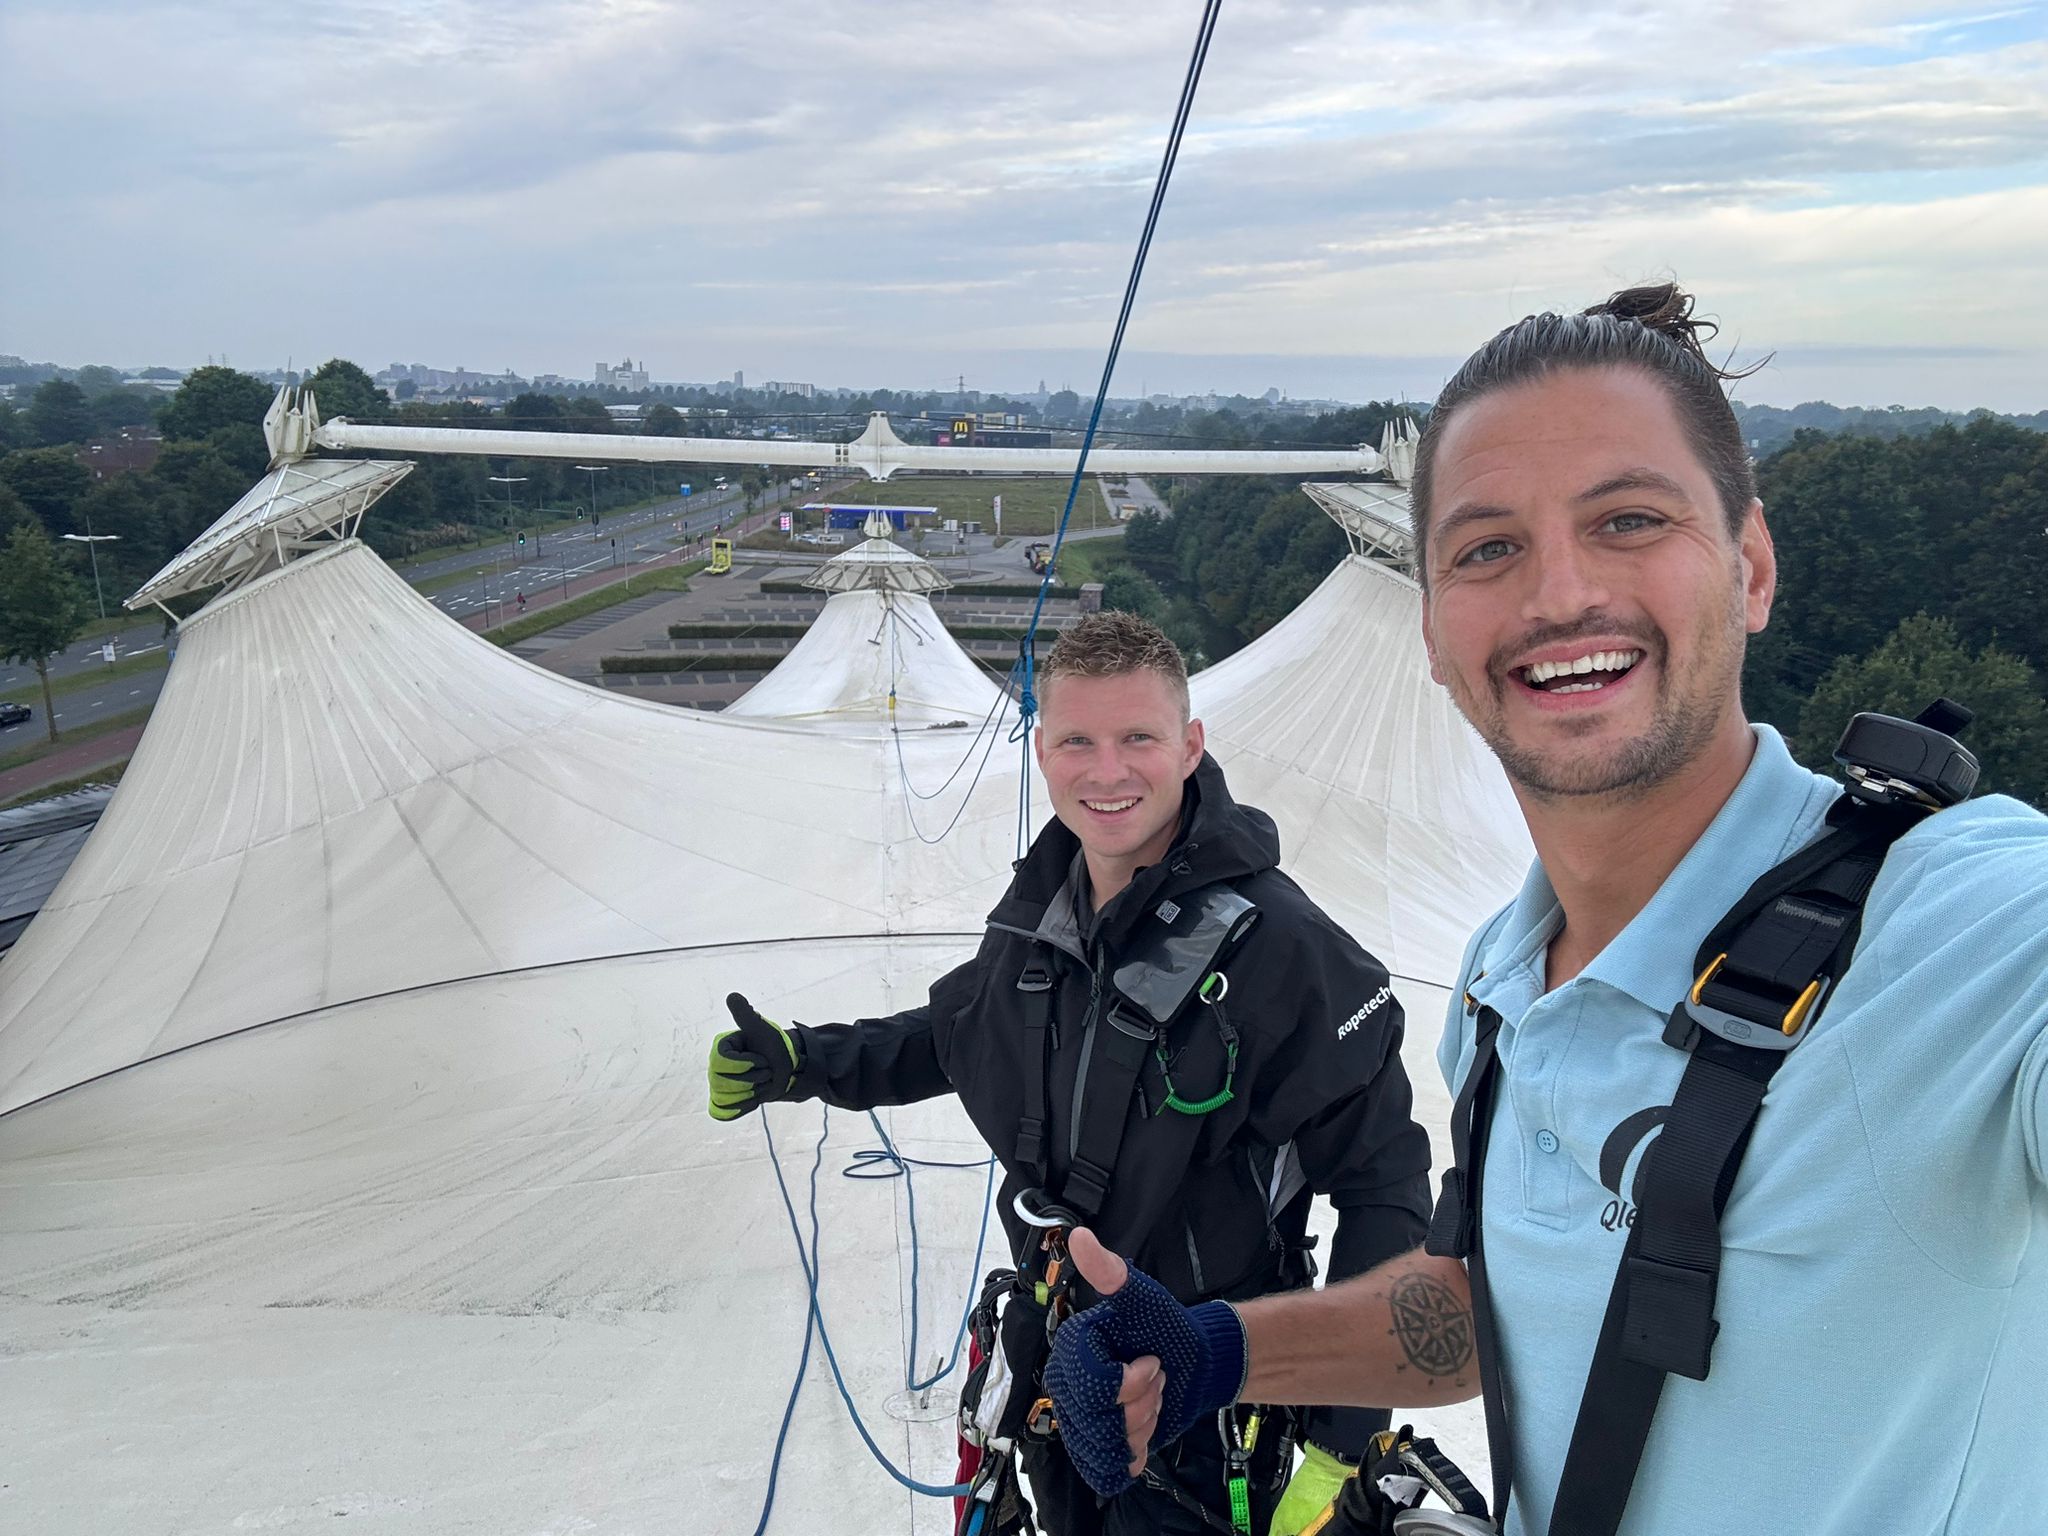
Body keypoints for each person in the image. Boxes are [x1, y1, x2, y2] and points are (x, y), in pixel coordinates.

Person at [1042, 285, 2048, 1536]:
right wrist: (1212, 1354)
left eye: (1628, 518)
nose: (1558, 593)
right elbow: (1503, 1308)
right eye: (1484, 548)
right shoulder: (1499, 993)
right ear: (1431, 628)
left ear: (1749, 567)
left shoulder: (1961, 929)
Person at [708, 610, 1434, 1535]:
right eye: (1077, 741)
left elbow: (1385, 1188)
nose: (1107, 771)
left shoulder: (1286, 953)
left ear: (1191, 746)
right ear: (1041, 749)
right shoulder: (1041, 912)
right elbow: (961, 1030)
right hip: (1059, 1361)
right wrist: (809, 1060)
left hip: (1204, 1403)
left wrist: (1343, 1432)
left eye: (1139, 737)